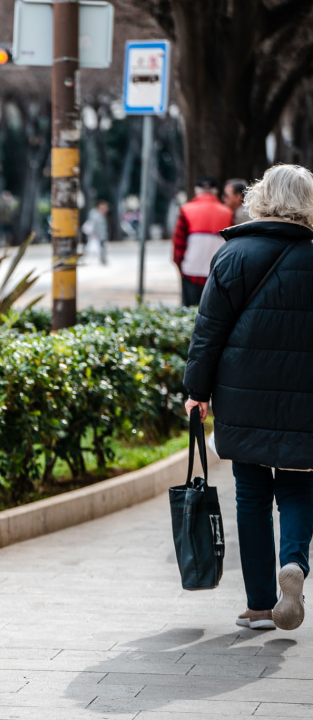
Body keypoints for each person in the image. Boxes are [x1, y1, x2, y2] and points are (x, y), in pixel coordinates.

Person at [183, 164, 313, 633]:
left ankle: (259, 605)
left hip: (242, 396)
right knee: (298, 485)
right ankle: (294, 564)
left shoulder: (233, 253)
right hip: (305, 396)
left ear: (261, 197)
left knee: (252, 493)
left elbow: (208, 332)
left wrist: (197, 392)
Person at [172, 176, 234, 306]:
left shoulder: (185, 210)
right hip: (217, 273)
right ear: (215, 191)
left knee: (189, 312)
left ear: (196, 190)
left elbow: (178, 243)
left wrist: (179, 265)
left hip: (191, 270)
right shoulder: (227, 212)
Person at [81, 199, 110, 265]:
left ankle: (103, 260)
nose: (106, 209)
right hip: (95, 235)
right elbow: (93, 225)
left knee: (101, 247)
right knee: (90, 248)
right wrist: (95, 234)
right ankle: (103, 260)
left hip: (100, 235)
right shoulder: (95, 215)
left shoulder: (101, 215)